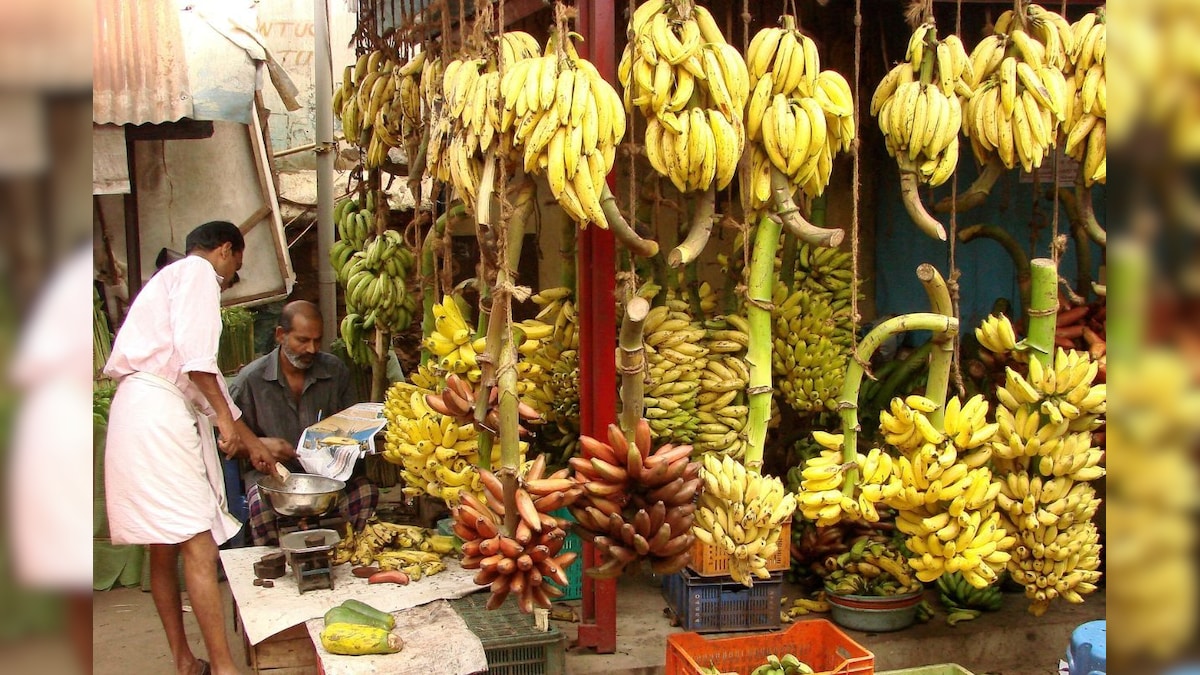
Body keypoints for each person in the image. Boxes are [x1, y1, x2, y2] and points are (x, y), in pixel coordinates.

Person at [104, 221, 292, 675]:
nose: (228, 284)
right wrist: (229, 428)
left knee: (163, 547)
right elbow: (199, 365)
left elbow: (210, 393)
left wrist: (251, 445)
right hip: (158, 417)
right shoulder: (197, 274)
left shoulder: (167, 281)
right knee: (200, 547)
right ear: (225, 251)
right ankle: (225, 668)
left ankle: (186, 661)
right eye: (234, 272)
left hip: (139, 411)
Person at [230, 300, 380, 546]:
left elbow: (353, 427)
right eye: (302, 340)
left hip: (328, 479)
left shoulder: (335, 372)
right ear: (281, 335)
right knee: (259, 505)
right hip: (276, 481)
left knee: (366, 492)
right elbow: (227, 444)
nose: (311, 349)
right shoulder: (250, 381)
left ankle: (350, 555)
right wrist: (260, 445)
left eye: (317, 341)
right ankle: (274, 563)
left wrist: (355, 444)